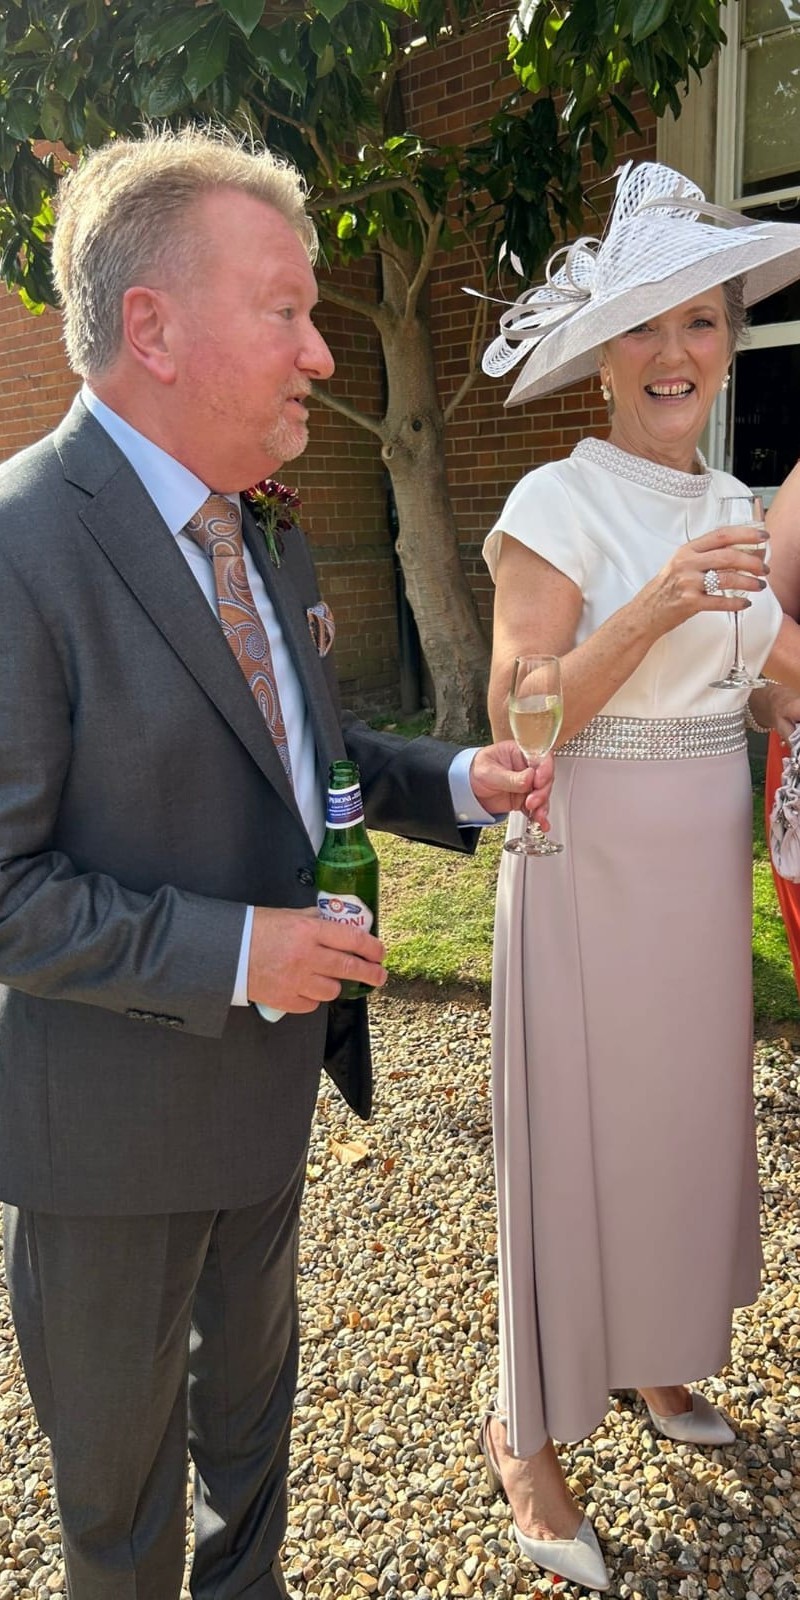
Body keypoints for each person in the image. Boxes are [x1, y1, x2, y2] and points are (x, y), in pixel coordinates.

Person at [0, 127, 553, 1600]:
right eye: (288, 311)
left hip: (265, 1110)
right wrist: (241, 951)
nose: (321, 353)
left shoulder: (265, 535)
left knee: (250, 1469)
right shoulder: (19, 547)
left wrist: (459, 781)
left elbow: (308, 748)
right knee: (123, 1521)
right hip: (108, 1146)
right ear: (154, 328)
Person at [475, 161, 800, 1591]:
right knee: (573, 1141)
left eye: (703, 322)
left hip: (696, 883)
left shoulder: (737, 500)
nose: (677, 353)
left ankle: (659, 1354)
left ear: (729, 342)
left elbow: (771, 680)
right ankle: (526, 1437)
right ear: (603, 357)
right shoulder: (557, 499)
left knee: (678, 1127)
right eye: (646, 328)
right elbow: (517, 715)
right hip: (586, 862)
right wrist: (660, 600)